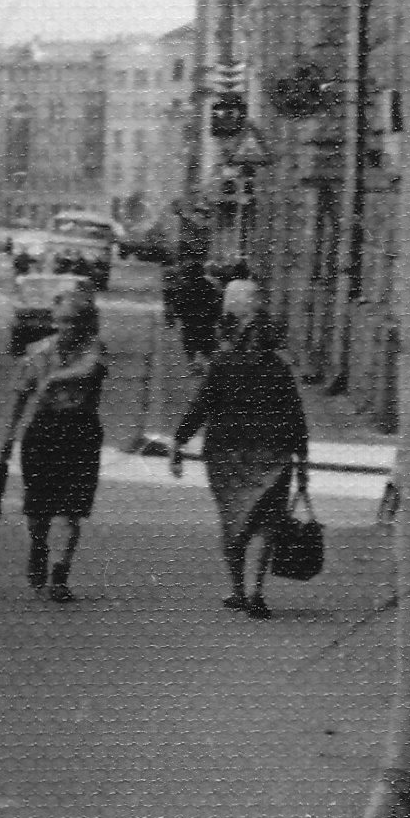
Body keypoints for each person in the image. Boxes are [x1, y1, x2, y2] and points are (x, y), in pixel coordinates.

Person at [170, 282, 311, 616]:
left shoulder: (223, 364)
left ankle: (237, 590)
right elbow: (296, 418)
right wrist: (303, 462)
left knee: (234, 522)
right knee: (268, 524)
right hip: (273, 455)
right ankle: (256, 592)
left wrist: (178, 442)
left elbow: (201, 406)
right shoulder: (279, 370)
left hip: (227, 455)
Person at [0, 280, 111, 602]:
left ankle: (61, 576)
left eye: (73, 321)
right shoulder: (37, 352)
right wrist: (7, 439)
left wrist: (52, 380)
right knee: (39, 507)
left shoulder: (95, 347)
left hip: (81, 431)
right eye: (61, 320)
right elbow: (19, 399)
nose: (66, 327)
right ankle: (38, 546)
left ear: (85, 322)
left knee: (72, 510)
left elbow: (89, 370)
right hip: (43, 431)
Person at [168, 256, 224, 366]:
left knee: (190, 341)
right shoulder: (208, 285)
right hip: (206, 319)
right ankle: (209, 365)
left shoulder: (183, 285)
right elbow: (214, 302)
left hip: (189, 320)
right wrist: (216, 316)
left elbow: (178, 303)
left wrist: (177, 316)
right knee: (207, 343)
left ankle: (192, 362)